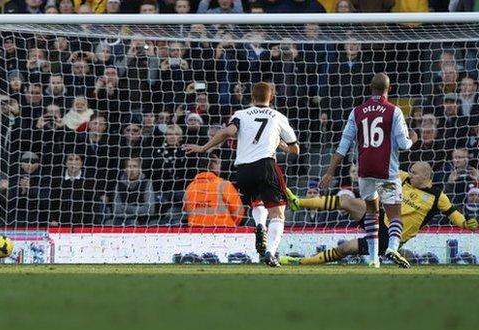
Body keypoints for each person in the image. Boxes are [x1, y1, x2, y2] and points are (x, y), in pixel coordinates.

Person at [183, 82, 300, 267]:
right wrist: (282, 145)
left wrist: (204, 148)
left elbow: (228, 132)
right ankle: (270, 253)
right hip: (266, 165)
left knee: (257, 201)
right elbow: (295, 149)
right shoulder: (278, 117)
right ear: (272, 98)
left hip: (244, 169)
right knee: (278, 213)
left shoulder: (240, 115)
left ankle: (260, 225)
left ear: (252, 98)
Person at [283, 162, 478, 266]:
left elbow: (454, 214)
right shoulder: (404, 178)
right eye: (410, 171)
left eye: (415, 173)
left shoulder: (437, 196)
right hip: (379, 218)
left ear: (426, 176)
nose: (410, 174)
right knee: (347, 202)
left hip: (391, 237)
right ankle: (298, 202)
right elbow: (388, 167)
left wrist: (465, 224)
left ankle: (300, 261)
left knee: (345, 248)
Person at [319, 73, 413, 268]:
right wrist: (412, 138)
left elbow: (343, 145)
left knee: (372, 212)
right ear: (389, 88)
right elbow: (404, 145)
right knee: (395, 215)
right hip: (387, 171)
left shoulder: (357, 111)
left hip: (364, 171)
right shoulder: (394, 111)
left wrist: (330, 172)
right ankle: (393, 248)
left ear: (370, 88)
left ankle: (373, 258)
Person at [184, 155, 244, 227]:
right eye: (218, 163)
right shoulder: (224, 184)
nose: (220, 166)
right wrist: (231, 226)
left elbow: (187, 212)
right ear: (213, 165)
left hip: (197, 232)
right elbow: (239, 211)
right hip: (223, 230)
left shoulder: (190, 188)